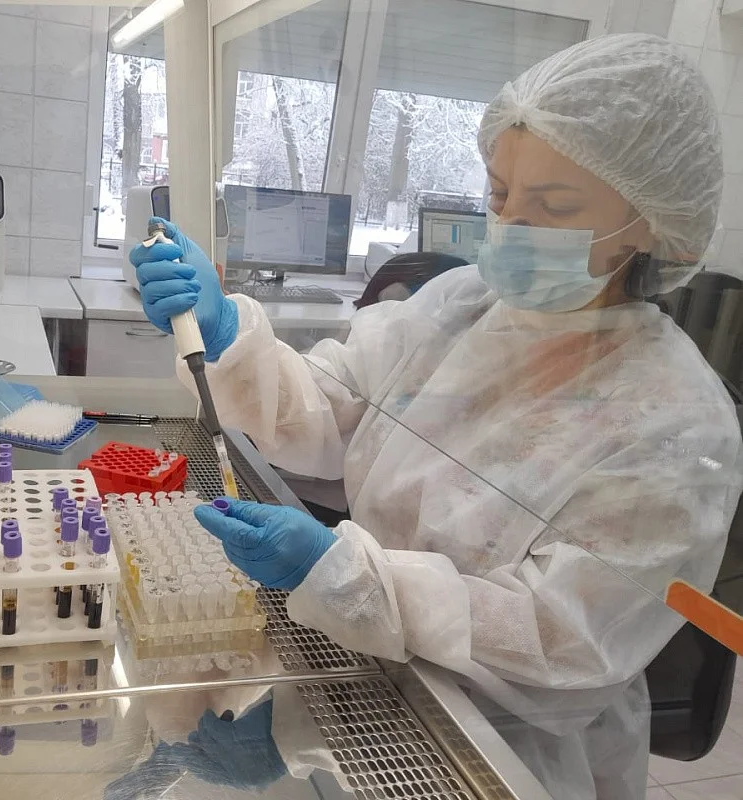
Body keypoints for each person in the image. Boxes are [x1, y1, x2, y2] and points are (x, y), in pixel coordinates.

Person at [124, 33, 743, 800]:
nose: (511, 227)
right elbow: (332, 405)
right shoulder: (461, 307)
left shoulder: (677, 430)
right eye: (500, 194)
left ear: (649, 221)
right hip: (361, 674)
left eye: (554, 206)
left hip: (501, 748)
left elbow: (559, 643)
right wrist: (228, 336)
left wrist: (341, 573)